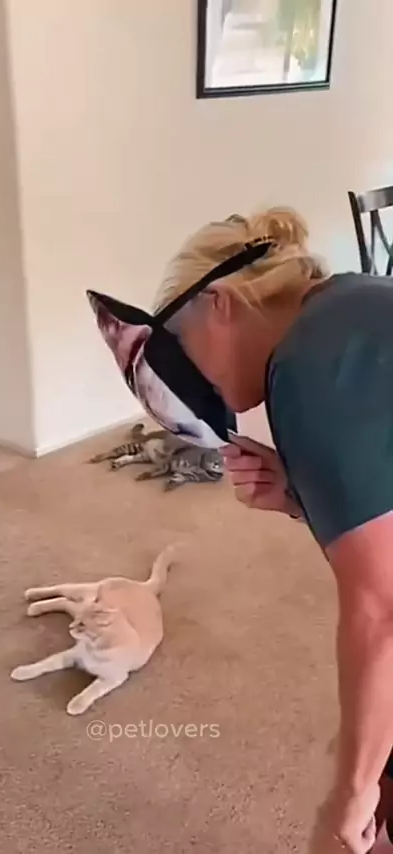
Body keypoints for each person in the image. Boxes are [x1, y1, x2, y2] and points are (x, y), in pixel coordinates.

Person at [152, 209, 393, 854]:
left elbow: (381, 613)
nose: (188, 378)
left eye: (181, 345)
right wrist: (297, 496)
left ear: (220, 305)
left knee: (360, 796)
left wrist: (349, 795)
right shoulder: (348, 301)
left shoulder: (308, 369)